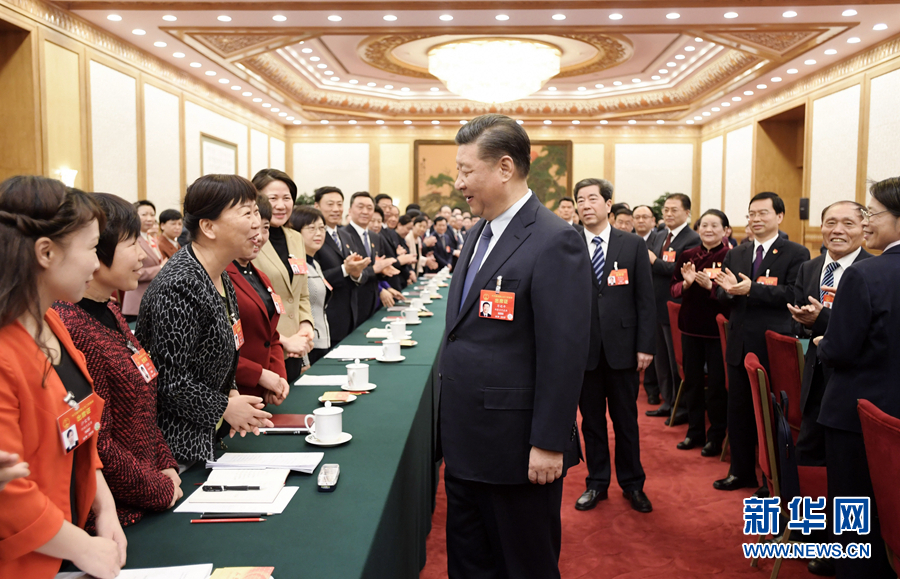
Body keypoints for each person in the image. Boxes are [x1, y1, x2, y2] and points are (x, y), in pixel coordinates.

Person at [439, 114, 592, 578]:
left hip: (517, 450)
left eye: (466, 170)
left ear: (504, 168)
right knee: (469, 564)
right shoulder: (477, 232)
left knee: (523, 566)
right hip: (466, 440)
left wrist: (548, 442)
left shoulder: (555, 239)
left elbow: (564, 353)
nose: (458, 182)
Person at [0, 176, 126, 579]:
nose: (96, 264)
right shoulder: (5, 352)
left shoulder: (53, 321)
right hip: (26, 559)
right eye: (92, 248)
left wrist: (104, 506)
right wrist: (81, 546)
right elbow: (7, 487)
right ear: (46, 252)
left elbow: (80, 427)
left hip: (66, 541)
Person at [54, 192, 182, 528]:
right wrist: (158, 487)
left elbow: (141, 406)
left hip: (146, 496)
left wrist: (165, 463)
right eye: (131, 244)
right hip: (113, 517)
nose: (141, 255)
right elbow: (96, 440)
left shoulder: (109, 309)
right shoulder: (72, 326)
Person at [136, 175, 274, 467]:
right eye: (246, 213)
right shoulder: (179, 285)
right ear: (209, 227)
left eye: (256, 212)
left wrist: (231, 389)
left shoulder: (219, 273)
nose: (257, 223)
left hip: (209, 437)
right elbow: (169, 380)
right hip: (177, 449)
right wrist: (224, 408)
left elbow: (222, 349)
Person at [816, 178, 900, 579]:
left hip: (858, 415)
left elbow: (839, 351)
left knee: (856, 515)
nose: (867, 223)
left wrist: (823, 342)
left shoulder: (866, 274)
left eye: (872, 214)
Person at [713, 191, 810, 492]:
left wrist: (751, 289)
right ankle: (740, 472)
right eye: (751, 214)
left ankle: (774, 481)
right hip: (740, 343)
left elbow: (793, 294)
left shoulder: (796, 253)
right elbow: (722, 294)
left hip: (772, 345)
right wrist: (728, 291)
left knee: (771, 415)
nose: (756, 219)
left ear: (779, 216)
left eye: (762, 213)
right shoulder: (737, 252)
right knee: (738, 411)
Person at [572, 178, 655, 514]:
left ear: (608, 204)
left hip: (624, 349)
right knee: (591, 423)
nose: (586, 205)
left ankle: (633, 484)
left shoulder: (631, 244)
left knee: (626, 422)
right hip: (584, 351)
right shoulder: (567, 242)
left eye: (593, 198)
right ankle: (596, 482)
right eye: (580, 200)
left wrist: (645, 345)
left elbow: (645, 299)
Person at [788, 201, 871, 467]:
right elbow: (797, 325)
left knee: (846, 464)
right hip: (814, 378)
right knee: (807, 456)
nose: (837, 230)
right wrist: (804, 322)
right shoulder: (809, 268)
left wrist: (821, 319)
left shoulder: (872, 270)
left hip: (853, 383)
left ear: (864, 229)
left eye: (848, 223)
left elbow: (866, 330)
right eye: (831, 223)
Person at [670, 209, 732, 456]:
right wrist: (686, 284)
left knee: (716, 387)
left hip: (718, 332)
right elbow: (673, 288)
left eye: (715, 225)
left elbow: (733, 294)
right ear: (698, 229)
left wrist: (711, 287)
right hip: (691, 327)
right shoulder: (688, 255)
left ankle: (715, 437)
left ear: (725, 230)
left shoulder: (730, 256)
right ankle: (694, 432)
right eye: (704, 225)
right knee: (692, 383)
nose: (708, 230)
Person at [251, 169, 316, 382]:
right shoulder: (250, 240)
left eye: (286, 198)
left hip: (296, 348)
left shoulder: (296, 238)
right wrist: (283, 340)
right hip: (267, 350)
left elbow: (301, 293)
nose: (281, 205)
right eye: (273, 198)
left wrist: (305, 326)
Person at [226, 195, 289, 405]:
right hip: (234, 397)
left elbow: (272, 336)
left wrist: (278, 378)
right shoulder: (219, 277)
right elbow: (214, 351)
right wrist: (259, 375)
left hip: (264, 392)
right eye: (253, 227)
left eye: (266, 228)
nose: (259, 236)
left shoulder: (261, 277)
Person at [645, 193, 700, 424]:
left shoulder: (692, 239)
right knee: (661, 359)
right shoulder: (659, 235)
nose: (668, 214)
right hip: (656, 305)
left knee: (675, 359)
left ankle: (681, 406)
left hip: (676, 306)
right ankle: (668, 401)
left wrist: (655, 262)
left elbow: (680, 270)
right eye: (666, 209)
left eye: (674, 210)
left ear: (687, 212)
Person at [313, 186, 369, 343]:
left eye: (339, 204)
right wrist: (345, 269)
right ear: (317, 206)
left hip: (350, 313)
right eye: (330, 204)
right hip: (327, 316)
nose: (336, 209)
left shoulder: (346, 235)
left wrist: (357, 274)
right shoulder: (312, 237)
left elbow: (355, 274)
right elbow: (314, 278)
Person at [342, 191, 399, 322]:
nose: (365, 211)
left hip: (373, 302)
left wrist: (383, 271)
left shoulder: (375, 237)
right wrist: (375, 269)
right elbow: (350, 272)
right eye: (360, 207)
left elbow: (376, 269)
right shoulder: (344, 235)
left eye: (369, 208)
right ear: (350, 211)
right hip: (353, 304)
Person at [291, 206, 332, 364]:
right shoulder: (295, 265)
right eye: (311, 228)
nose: (319, 233)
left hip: (322, 340)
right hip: (308, 346)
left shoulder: (314, 263)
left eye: (322, 228)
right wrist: (303, 360)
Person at [121, 200, 165, 322]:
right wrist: (160, 268)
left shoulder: (151, 239)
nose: (149, 218)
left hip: (153, 299)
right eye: (144, 214)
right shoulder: (131, 238)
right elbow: (130, 271)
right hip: (137, 301)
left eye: (152, 214)